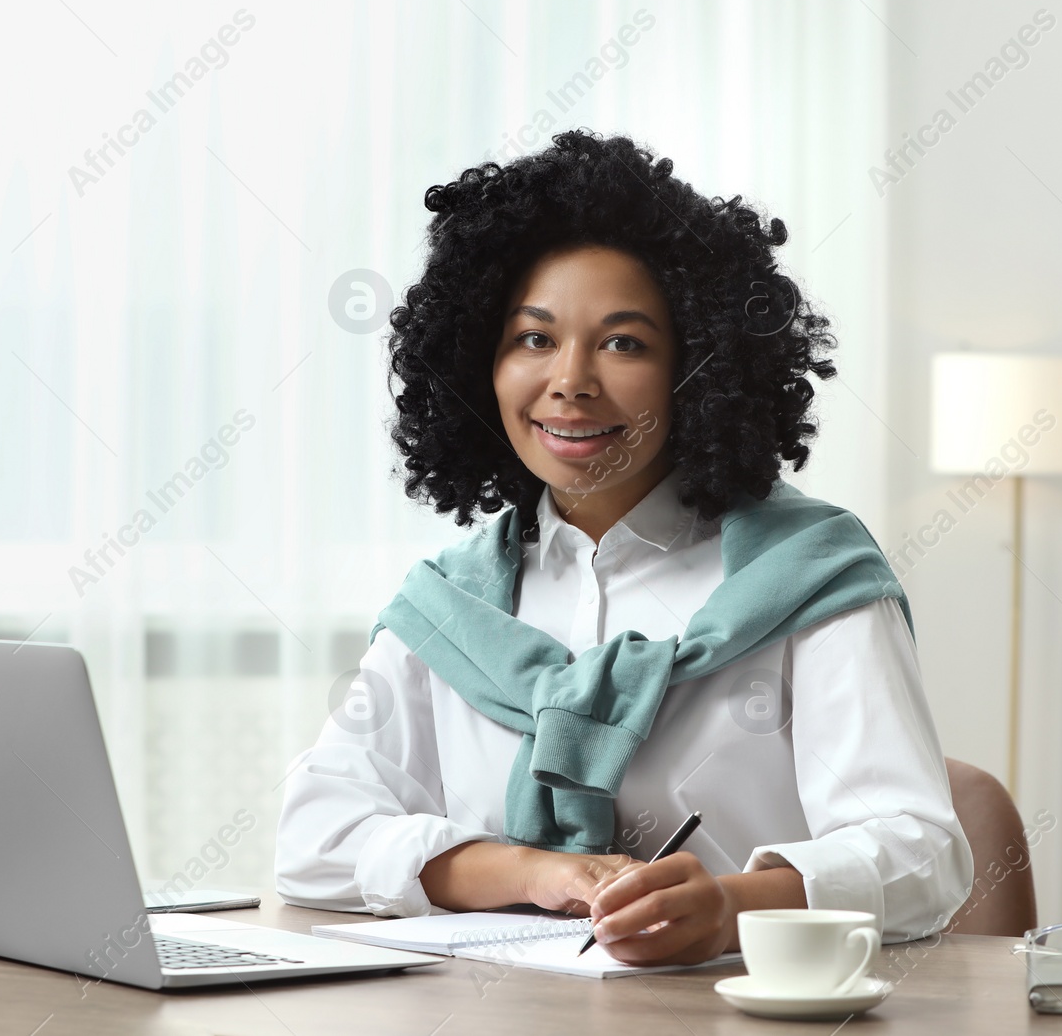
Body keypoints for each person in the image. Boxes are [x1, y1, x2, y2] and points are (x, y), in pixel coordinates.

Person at [275, 129, 972, 967]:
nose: (570, 379)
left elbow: (924, 853)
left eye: (623, 342)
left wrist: (735, 906)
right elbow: (313, 834)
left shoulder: (811, 576)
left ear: (698, 368)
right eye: (534, 338)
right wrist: (529, 871)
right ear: (478, 363)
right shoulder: (450, 607)